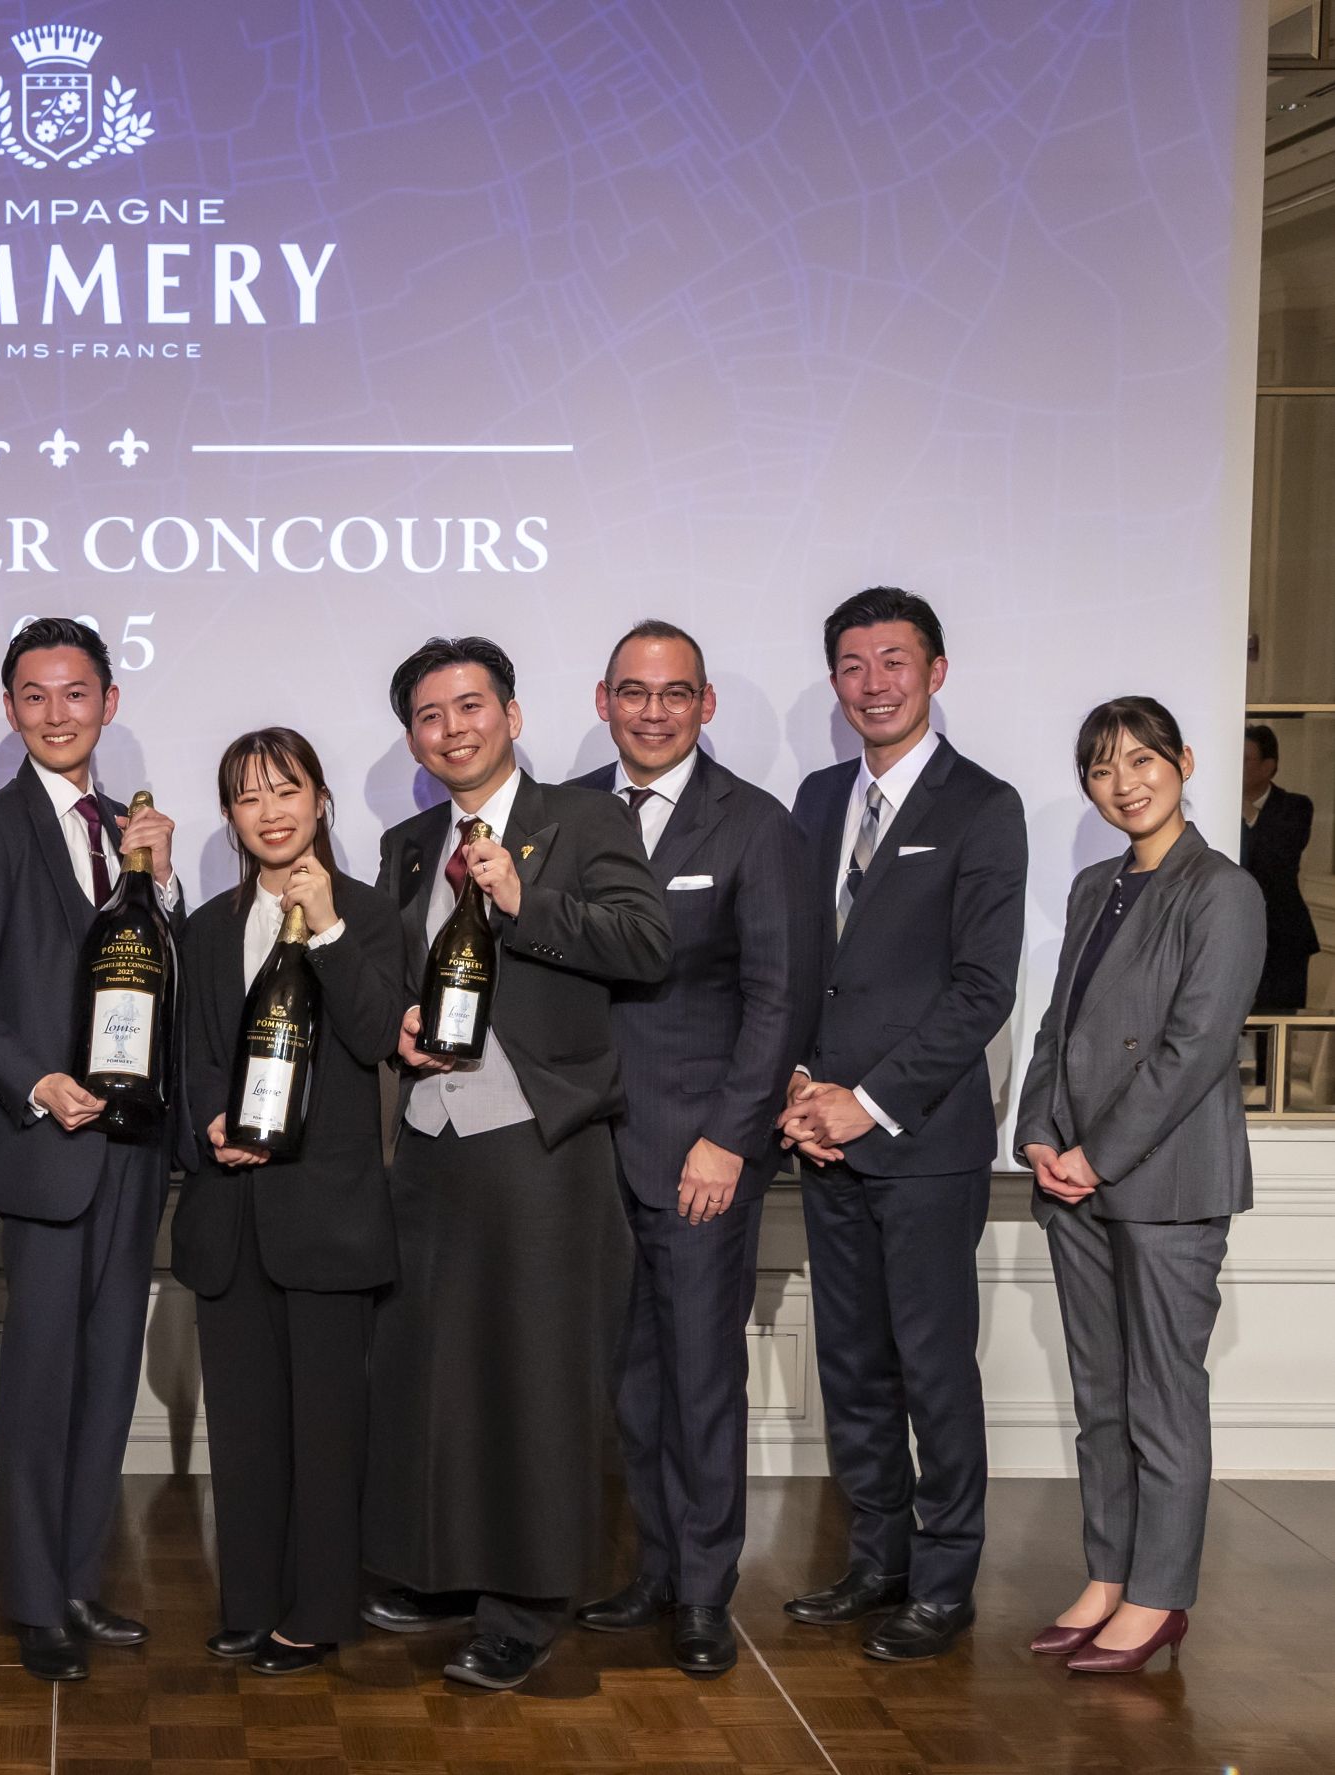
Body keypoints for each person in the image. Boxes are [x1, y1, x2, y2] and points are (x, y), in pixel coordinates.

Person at [361, 635, 671, 1692]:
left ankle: (527, 1602)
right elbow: (390, 973)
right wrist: (395, 1023)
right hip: (431, 1141)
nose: (452, 728)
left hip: (542, 1138)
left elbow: (645, 942)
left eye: (470, 706)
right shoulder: (409, 843)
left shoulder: (583, 819)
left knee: (535, 1377)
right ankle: (444, 1567)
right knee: (435, 1369)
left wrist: (524, 899)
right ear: (413, 736)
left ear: (512, 715)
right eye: (430, 715)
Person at [778, 586, 1025, 1663]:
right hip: (820, 1138)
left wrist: (865, 1101)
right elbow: (795, 959)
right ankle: (875, 1559)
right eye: (852, 664)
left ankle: (945, 1576)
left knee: (933, 1368)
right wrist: (798, 1084)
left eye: (893, 660)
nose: (872, 683)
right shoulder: (816, 796)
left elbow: (980, 989)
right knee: (852, 1363)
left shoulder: (983, 804)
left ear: (935, 670)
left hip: (921, 1143)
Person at [567, 622, 817, 1676]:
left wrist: (726, 1139)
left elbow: (779, 999)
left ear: (705, 705)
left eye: (675, 693)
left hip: (699, 1157)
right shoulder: (568, 815)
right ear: (603, 700)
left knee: (702, 1381)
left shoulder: (755, 825)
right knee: (631, 1385)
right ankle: (657, 1569)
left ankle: (707, 1593)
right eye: (634, 691)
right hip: (585, 1153)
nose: (653, 711)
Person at [0, 616, 182, 1683]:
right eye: (32, 695)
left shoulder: (133, 830)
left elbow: (163, 978)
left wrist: (162, 886)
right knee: (40, 1383)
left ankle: (81, 1578)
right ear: (9, 708)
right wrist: (37, 1083)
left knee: (109, 1373)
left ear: (108, 703)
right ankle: (36, 1599)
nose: (55, 713)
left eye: (74, 693)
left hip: (133, 1145)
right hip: (46, 1145)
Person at [1016, 697, 1263, 1675]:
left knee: (1162, 1396)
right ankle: (1108, 1573)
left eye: (1142, 760)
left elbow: (1194, 1046)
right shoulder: (1094, 885)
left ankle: (1158, 1594)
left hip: (1164, 1181)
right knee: (1101, 1395)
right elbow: (1059, 1024)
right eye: (1101, 768)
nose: (1124, 783)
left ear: (1184, 761)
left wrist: (1098, 1152)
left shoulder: (1223, 890)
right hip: (1074, 1178)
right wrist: (1039, 1129)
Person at [171, 728, 403, 1676]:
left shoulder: (370, 913)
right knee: (245, 1428)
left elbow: (377, 1035)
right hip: (230, 1212)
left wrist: (331, 928)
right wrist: (207, 1124)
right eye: (248, 795)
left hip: (329, 1215)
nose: (269, 811)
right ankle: (251, 1602)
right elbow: (191, 1054)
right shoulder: (205, 927)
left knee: (327, 1431)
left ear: (319, 800)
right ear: (229, 815)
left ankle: (317, 1611)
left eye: (285, 789)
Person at [1242, 723, 1317, 1013]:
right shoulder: (1218, 807)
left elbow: (1281, 859)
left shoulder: (1296, 806)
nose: (1237, 767)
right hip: (1233, 933)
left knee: (1276, 1024)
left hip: (1283, 937)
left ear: (1268, 766)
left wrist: (1250, 814)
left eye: (1245, 759)